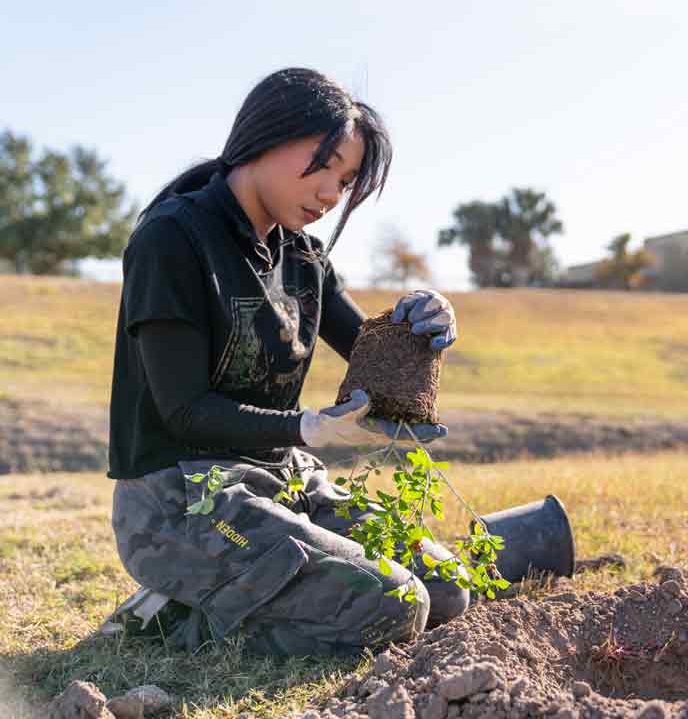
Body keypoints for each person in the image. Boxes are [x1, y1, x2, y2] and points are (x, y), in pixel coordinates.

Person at [101, 67, 467, 656]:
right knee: (399, 606)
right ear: (267, 136)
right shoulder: (171, 240)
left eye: (345, 181)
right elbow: (184, 411)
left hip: (283, 481)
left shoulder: (303, 257)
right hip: (182, 504)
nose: (331, 194)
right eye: (324, 166)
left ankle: (214, 597)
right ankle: (165, 620)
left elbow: (371, 355)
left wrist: (425, 322)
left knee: (448, 588)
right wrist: (310, 427)